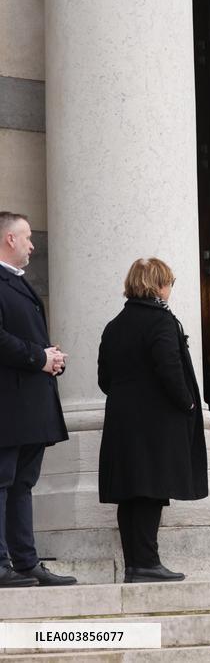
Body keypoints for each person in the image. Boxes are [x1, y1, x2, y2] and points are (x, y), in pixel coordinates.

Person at [98, 258, 208, 583]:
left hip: (121, 420)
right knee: (149, 490)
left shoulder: (114, 325)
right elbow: (169, 368)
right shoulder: (161, 321)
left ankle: (135, 564)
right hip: (156, 422)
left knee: (130, 490)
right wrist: (187, 402)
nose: (171, 290)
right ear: (158, 285)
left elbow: (104, 379)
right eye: (169, 283)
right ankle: (147, 563)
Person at [0, 211, 75, 587]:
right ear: (9, 239)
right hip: (7, 406)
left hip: (28, 404)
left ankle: (26, 561)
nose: (32, 244)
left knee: (22, 483)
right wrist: (38, 356)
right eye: (27, 237)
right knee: (2, 481)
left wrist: (50, 357)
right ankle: (0, 563)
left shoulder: (19, 283)